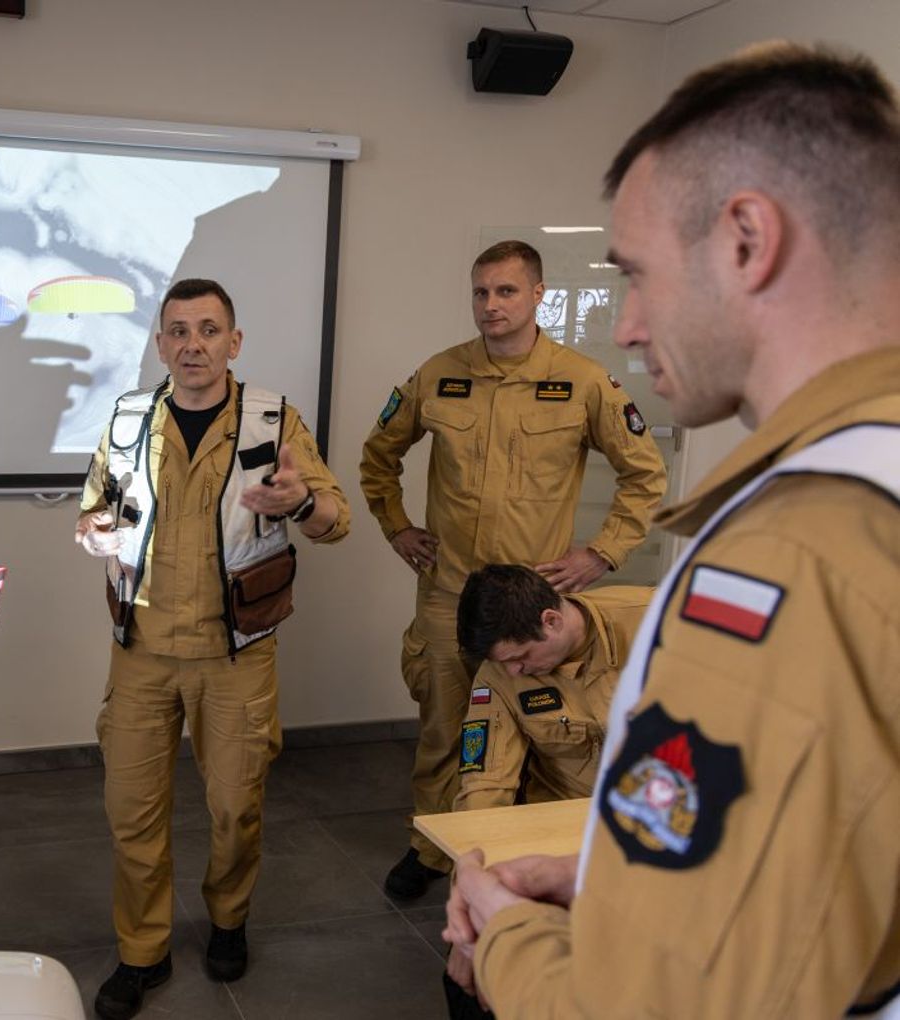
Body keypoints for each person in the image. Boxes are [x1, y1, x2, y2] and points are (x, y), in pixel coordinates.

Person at [445, 42, 900, 1016]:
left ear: (747, 240)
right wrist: (611, 879)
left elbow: (661, 1003)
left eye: (639, 275)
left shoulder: (792, 555)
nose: (629, 324)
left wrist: (506, 934)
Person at [76, 278, 350, 1020]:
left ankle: (229, 918)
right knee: (132, 811)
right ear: (160, 343)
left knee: (236, 806)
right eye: (177, 330)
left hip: (236, 655)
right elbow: (96, 507)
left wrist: (300, 502)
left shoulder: (273, 420)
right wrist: (94, 530)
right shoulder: (128, 418)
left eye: (207, 330)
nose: (191, 344)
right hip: (141, 650)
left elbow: (335, 520)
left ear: (234, 341)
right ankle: (142, 950)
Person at [360, 240, 667, 899]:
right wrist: (397, 526)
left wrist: (602, 552)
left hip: (530, 610)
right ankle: (433, 848)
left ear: (538, 295)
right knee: (444, 732)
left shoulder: (583, 382)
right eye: (481, 292)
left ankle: (518, 853)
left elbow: (645, 474)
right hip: (449, 597)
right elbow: (378, 455)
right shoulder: (440, 374)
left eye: (506, 291)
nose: (491, 305)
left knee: (542, 729)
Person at [452, 564, 650, 813]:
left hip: (665, 813)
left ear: (551, 621)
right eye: (503, 662)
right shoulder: (497, 675)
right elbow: (486, 783)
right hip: (564, 817)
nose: (513, 671)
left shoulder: (660, 621)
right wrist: (476, 833)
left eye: (521, 656)